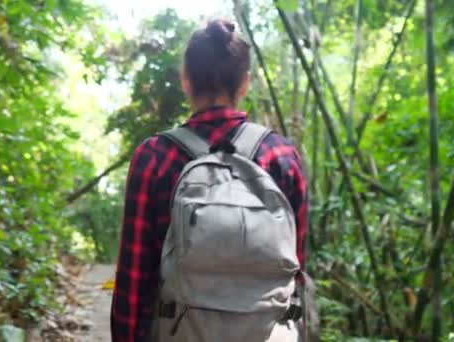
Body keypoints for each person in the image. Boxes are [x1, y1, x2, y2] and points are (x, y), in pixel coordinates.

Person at [111, 19, 309, 342]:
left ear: (185, 79)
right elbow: (295, 275)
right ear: (245, 83)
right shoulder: (283, 158)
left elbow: (133, 286)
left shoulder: (154, 158)